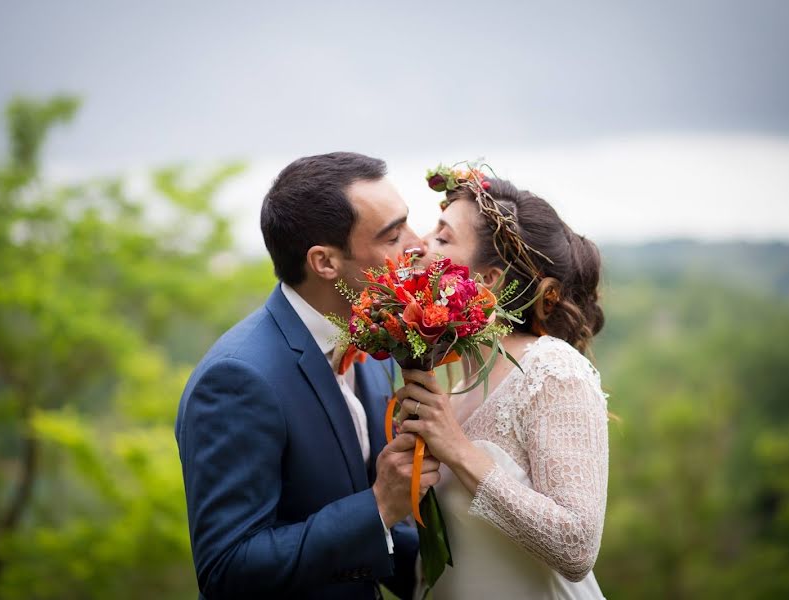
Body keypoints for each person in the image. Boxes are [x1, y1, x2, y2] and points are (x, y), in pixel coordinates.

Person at [175, 152, 440, 599]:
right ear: (325, 263)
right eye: (393, 235)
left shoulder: (377, 348)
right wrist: (377, 507)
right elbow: (226, 568)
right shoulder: (236, 379)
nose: (418, 243)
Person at [398, 175, 609, 599]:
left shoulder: (552, 370)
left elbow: (577, 546)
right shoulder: (456, 385)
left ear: (489, 279)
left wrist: (457, 451)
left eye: (442, 240)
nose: (419, 244)